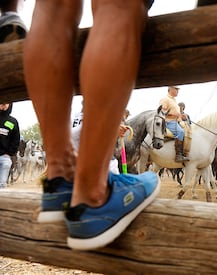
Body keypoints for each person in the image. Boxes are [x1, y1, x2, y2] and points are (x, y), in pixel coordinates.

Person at [23, 0, 160, 251]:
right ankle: (93, 194)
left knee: (51, 8)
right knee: (118, 6)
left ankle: (59, 174)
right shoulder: (169, 100)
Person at [160, 86, 189, 162]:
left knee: (188, 129)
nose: (178, 91)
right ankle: (178, 155)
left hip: (176, 121)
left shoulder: (174, 100)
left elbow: (176, 114)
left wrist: (181, 116)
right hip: (168, 122)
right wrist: (175, 114)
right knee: (181, 132)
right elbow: (161, 112)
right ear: (171, 89)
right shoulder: (165, 99)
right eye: (176, 89)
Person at [0, 102, 20, 188]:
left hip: (5, 158)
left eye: (6, 102)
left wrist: (9, 153)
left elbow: (16, 139)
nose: (3, 104)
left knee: (2, 185)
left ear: (10, 104)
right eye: (1, 102)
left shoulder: (12, 122)